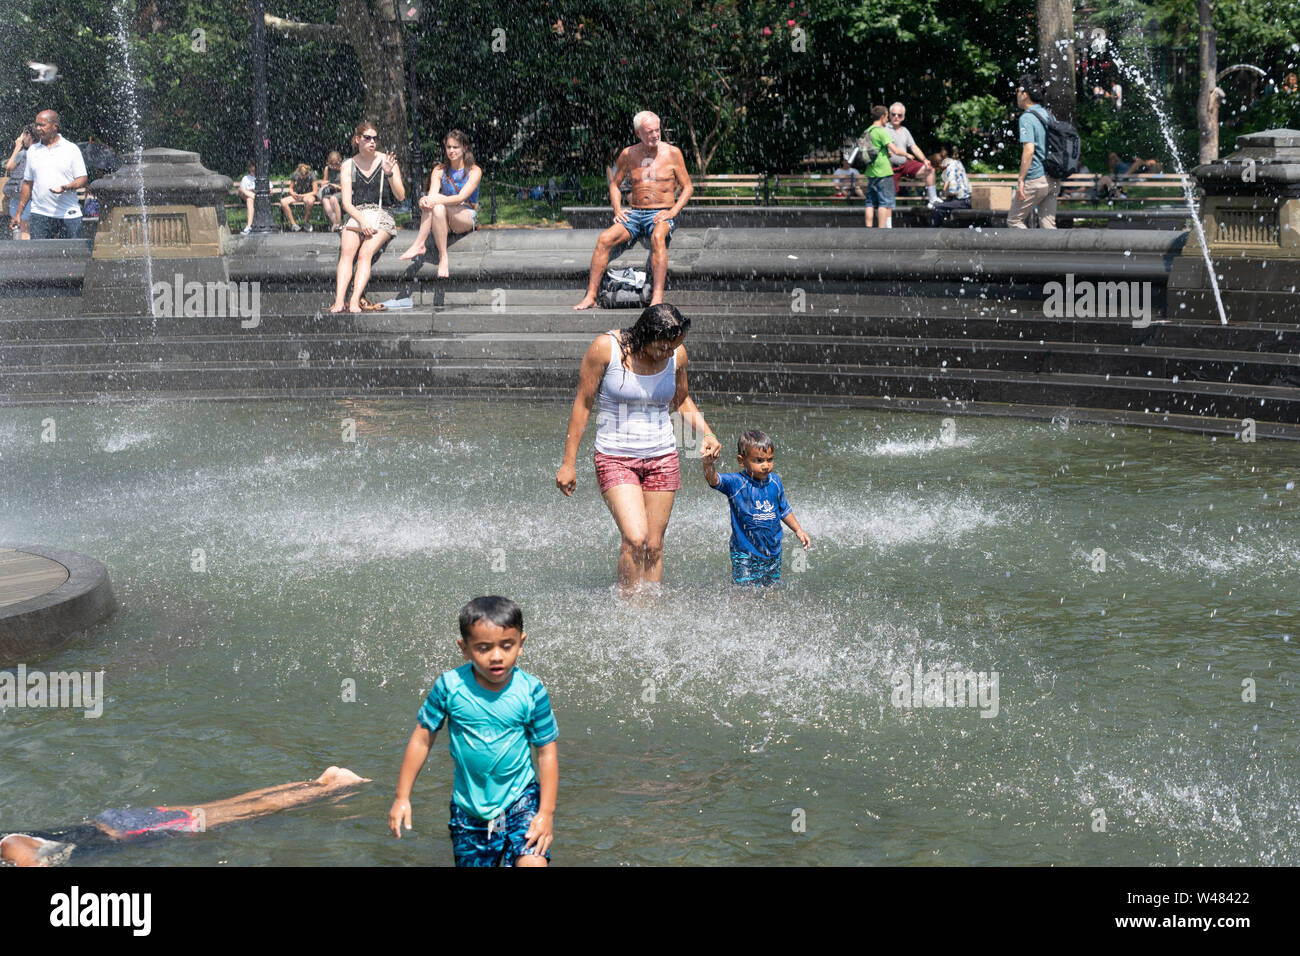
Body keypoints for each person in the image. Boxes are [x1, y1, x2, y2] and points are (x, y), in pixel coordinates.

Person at [555, 304, 722, 591]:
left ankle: (650, 612)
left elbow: (681, 400)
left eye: (674, 348)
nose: (668, 354)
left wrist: (707, 434)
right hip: (615, 456)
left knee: (654, 545)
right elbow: (583, 404)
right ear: (643, 335)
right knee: (635, 538)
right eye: (662, 348)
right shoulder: (606, 349)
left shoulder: (676, 354)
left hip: (662, 456)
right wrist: (568, 463)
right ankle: (628, 607)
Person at [389, 596, 558, 867]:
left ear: (521, 644)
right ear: (464, 648)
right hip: (469, 811)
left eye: (507, 645)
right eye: (483, 648)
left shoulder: (531, 690)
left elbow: (546, 752)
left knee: (533, 863)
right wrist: (402, 797)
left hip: (521, 800)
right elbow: (422, 739)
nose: (496, 656)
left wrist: (546, 812)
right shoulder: (450, 687)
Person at [1, 766, 369, 867]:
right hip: (125, 829)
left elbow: (19, 848)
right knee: (230, 808)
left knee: (237, 814)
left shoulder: (5, 847)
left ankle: (331, 786)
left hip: (126, 830)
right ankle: (322, 782)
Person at [573, 111, 693, 310]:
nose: (655, 135)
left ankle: (657, 297)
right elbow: (614, 184)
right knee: (604, 239)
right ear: (638, 133)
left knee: (657, 238)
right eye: (649, 132)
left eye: (657, 130)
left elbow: (688, 187)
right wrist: (618, 209)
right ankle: (591, 296)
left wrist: (672, 212)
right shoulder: (628, 154)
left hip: (660, 212)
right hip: (635, 213)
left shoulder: (673, 153)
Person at [702, 429, 811, 586]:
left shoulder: (775, 482)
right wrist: (708, 464)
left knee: (771, 589)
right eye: (759, 461)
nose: (766, 465)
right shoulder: (736, 483)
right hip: (745, 554)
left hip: (773, 552)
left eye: (770, 459)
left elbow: (784, 509)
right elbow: (714, 480)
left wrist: (798, 530)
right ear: (741, 460)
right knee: (743, 592)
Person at [328, 120, 405, 314]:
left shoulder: (387, 161)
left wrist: (389, 174)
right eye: (367, 138)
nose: (372, 142)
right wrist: (362, 221)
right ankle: (339, 301)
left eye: (375, 138)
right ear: (357, 139)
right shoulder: (348, 165)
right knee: (347, 252)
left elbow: (401, 196)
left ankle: (354, 300)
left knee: (364, 254)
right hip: (357, 215)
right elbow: (346, 203)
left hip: (381, 214)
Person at [396, 130, 481, 277]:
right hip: (443, 216)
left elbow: (460, 198)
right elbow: (432, 194)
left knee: (438, 204)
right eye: (448, 147)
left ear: (465, 148)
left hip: (465, 216)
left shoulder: (474, 170)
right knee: (436, 206)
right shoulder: (439, 170)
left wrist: (434, 199)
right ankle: (442, 256)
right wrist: (425, 200)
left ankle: (419, 244)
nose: (451, 151)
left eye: (456, 147)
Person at [16, 110, 88, 240]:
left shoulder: (70, 149)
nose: (38, 128)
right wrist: (18, 213)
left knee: (73, 256)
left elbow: (82, 178)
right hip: (40, 213)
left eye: (42, 125)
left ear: (55, 126)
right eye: (36, 125)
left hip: (68, 214)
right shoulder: (33, 151)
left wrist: (66, 187)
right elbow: (27, 183)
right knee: (40, 257)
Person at [1008, 75, 1058, 229]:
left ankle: (1028, 254)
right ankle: (1055, 253)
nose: (1017, 95)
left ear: (1025, 94)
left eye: (1018, 91)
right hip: (1053, 178)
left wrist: (1021, 180)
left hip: (1036, 178)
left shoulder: (1027, 117)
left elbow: (1029, 150)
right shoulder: (1048, 115)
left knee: (1014, 221)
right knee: (1048, 224)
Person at [863, 105, 907, 228]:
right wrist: (907, 154)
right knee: (884, 203)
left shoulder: (868, 131)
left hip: (871, 172)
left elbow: (873, 150)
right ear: (882, 117)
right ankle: (881, 232)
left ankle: (868, 229)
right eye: (887, 116)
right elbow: (896, 150)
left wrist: (886, 153)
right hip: (883, 172)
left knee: (870, 202)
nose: (887, 119)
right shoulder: (881, 131)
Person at [887, 102, 938, 204]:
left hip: (904, 164)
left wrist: (924, 160)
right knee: (887, 199)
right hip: (889, 168)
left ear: (903, 117)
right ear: (889, 115)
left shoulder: (905, 130)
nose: (896, 117)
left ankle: (933, 200)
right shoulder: (883, 129)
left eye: (899, 115)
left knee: (929, 169)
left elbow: (914, 147)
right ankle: (887, 220)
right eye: (893, 114)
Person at [4, 124, 34, 240]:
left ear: (29, 135)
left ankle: (25, 255)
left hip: (21, 194)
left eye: (22, 136)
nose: (21, 139)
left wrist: (17, 146)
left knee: (23, 228)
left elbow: (9, 166)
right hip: (32, 194)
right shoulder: (41, 151)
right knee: (26, 227)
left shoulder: (24, 153)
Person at [929, 152, 972, 226]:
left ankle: (934, 231)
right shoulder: (956, 163)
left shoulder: (950, 169)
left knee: (936, 207)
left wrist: (944, 191)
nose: (939, 170)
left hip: (963, 201)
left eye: (937, 169)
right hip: (968, 199)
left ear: (939, 165)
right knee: (942, 204)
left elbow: (953, 191)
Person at [279, 161, 317, 232]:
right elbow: (290, 188)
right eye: (301, 176)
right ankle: (294, 224)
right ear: (298, 173)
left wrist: (302, 195)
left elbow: (315, 191)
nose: (302, 178)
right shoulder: (295, 174)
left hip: (308, 195)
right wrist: (293, 193)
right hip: (297, 195)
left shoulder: (312, 175)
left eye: (304, 176)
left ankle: (305, 222)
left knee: (310, 201)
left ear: (307, 173)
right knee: (283, 201)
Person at [315, 151, 344, 231]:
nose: (334, 166)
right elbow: (324, 181)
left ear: (339, 162)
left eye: (336, 164)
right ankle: (335, 223)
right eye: (332, 164)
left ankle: (339, 223)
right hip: (330, 190)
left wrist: (337, 187)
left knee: (333, 199)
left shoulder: (343, 168)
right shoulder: (327, 169)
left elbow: (346, 186)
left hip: (341, 191)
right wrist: (325, 183)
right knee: (325, 200)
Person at [236, 161, 256, 235]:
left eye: (254, 166)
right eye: (251, 166)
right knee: (246, 194)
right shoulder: (246, 178)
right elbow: (241, 191)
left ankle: (249, 226)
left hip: (256, 199)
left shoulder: (263, 177)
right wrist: (249, 191)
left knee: (249, 199)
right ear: (249, 168)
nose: (253, 168)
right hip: (247, 197)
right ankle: (255, 197)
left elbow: (270, 191)